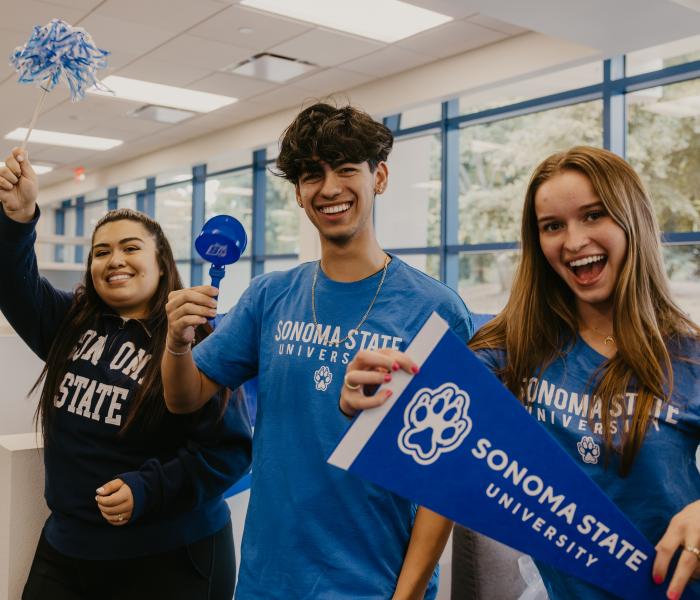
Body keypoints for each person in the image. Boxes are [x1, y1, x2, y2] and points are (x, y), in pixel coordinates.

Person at [341, 146, 700, 599]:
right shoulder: (511, 351)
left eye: (593, 216)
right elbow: (424, 433)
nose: (572, 241)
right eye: (553, 226)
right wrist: (365, 400)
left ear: (632, 220)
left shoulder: (688, 357)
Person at [162, 102, 474, 599]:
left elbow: (450, 474)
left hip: (374, 581)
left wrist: (409, 595)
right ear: (299, 195)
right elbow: (184, 397)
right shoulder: (269, 296)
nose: (329, 188)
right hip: (268, 580)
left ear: (381, 177)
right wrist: (176, 344)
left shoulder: (435, 309)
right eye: (312, 175)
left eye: (347, 168)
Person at [0, 147, 252, 600]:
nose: (114, 259)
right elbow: (12, 283)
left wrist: (148, 489)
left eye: (131, 248)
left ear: (161, 265)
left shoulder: (194, 337)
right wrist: (19, 218)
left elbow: (227, 454)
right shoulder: (69, 322)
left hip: (171, 557)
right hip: (68, 550)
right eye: (101, 252)